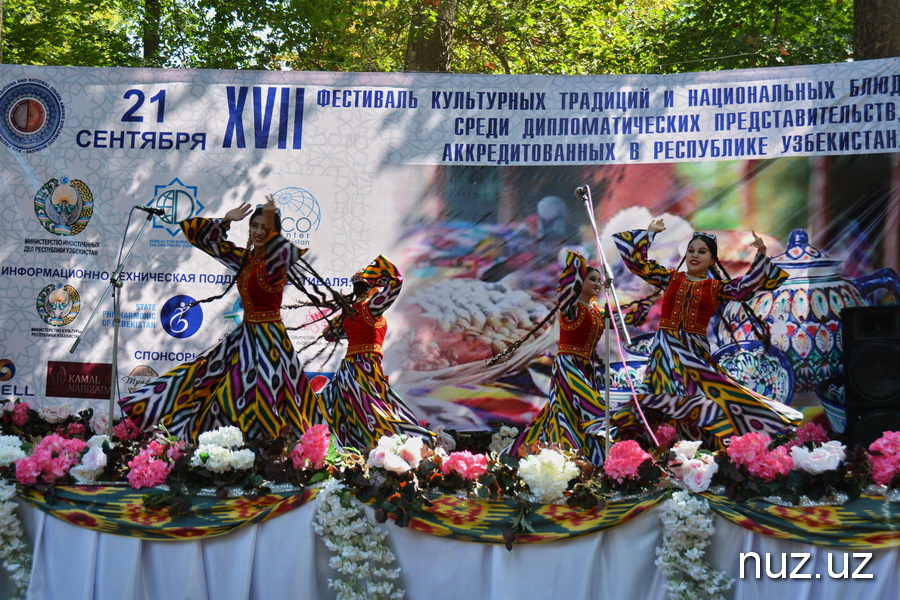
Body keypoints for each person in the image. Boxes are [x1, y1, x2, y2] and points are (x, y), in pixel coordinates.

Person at [120, 197, 318, 443]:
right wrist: (225, 221)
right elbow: (202, 239)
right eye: (254, 226)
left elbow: (288, 255)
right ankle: (230, 449)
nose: (258, 232)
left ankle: (272, 450)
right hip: (246, 336)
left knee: (269, 394)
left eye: (264, 228)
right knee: (212, 384)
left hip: (271, 341)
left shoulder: (273, 263)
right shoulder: (246, 259)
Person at [610, 219, 802, 448]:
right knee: (649, 402)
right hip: (664, 354)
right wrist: (648, 234)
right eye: (691, 250)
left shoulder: (715, 288)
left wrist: (761, 254)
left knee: (707, 400)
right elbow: (638, 263)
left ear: (712, 260)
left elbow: (747, 286)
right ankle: (638, 453)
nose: (695, 255)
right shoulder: (671, 279)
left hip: (693, 354)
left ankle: (706, 450)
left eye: (702, 252)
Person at [506, 250, 653, 466]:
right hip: (569, 366)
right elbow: (567, 280)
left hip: (587, 367)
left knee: (565, 414)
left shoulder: (596, 312)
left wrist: (649, 301)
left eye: (600, 281)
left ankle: (560, 457)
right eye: (592, 279)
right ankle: (565, 457)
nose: (597, 283)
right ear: (579, 281)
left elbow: (626, 317)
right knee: (586, 409)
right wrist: (580, 260)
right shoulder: (571, 308)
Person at [316, 255, 432, 450]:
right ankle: (389, 444)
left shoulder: (349, 313)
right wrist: (374, 275)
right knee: (374, 406)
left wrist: (354, 331)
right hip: (366, 366)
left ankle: (353, 445)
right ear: (372, 288)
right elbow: (395, 281)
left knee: (352, 407)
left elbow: (329, 335)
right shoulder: (372, 307)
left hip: (348, 368)